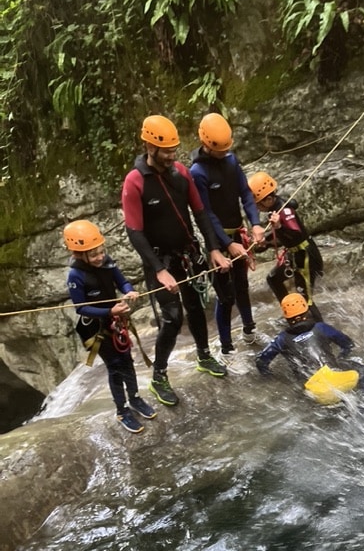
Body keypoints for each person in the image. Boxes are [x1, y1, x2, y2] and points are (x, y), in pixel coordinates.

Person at [121, 114, 231, 407]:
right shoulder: (135, 183)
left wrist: (214, 249)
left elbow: (201, 213)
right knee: (172, 318)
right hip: (160, 260)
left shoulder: (181, 173)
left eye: (174, 149)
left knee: (196, 306)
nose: (172, 155)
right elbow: (134, 232)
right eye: (166, 150)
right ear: (149, 146)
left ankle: (204, 356)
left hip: (187, 252)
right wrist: (158, 271)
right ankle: (159, 376)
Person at [64, 219, 156, 434]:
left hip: (115, 321)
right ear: (80, 255)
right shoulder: (75, 276)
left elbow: (121, 281)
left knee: (127, 360)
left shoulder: (107, 262)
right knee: (115, 366)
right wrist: (109, 312)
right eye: (94, 254)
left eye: (101, 251)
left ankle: (134, 398)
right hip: (97, 327)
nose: (100, 257)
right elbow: (81, 309)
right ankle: (122, 410)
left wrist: (129, 290)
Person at [189, 113, 266, 354]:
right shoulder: (198, 172)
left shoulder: (232, 162)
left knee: (242, 285)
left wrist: (255, 224)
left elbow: (245, 194)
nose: (224, 153)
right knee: (225, 296)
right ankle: (226, 348)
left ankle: (249, 328)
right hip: (216, 241)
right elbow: (206, 213)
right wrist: (226, 244)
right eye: (220, 150)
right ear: (206, 144)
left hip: (238, 234)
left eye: (226, 149)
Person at [255, 293, 364, 402]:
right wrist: (341, 358)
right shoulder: (321, 327)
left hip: (314, 391)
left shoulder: (281, 339)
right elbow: (348, 344)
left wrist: (270, 377)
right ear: (307, 311)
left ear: (286, 316)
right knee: (359, 370)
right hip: (340, 381)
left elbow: (261, 362)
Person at [248, 171, 324, 320]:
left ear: (268, 199)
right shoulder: (274, 210)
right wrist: (265, 243)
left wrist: (278, 228)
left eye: (258, 204)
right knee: (274, 278)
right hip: (295, 254)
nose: (257, 208)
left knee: (305, 300)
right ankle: (291, 314)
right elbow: (282, 238)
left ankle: (318, 331)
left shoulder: (284, 211)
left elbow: (295, 235)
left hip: (305, 255)